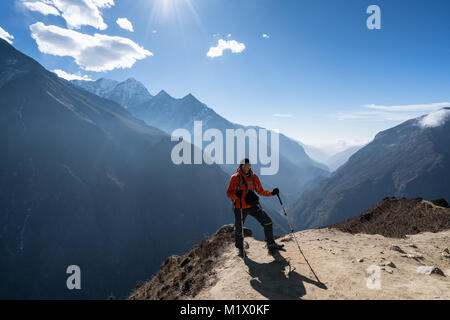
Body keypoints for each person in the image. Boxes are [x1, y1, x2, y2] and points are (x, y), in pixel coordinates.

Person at [226, 158, 284, 257]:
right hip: (240, 207)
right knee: (239, 229)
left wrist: (272, 193)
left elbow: (260, 191)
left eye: (248, 165)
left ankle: (271, 243)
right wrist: (236, 195)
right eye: (244, 165)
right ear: (241, 166)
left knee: (267, 221)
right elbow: (229, 193)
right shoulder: (235, 178)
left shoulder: (254, 177)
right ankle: (240, 248)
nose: (247, 167)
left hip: (252, 206)